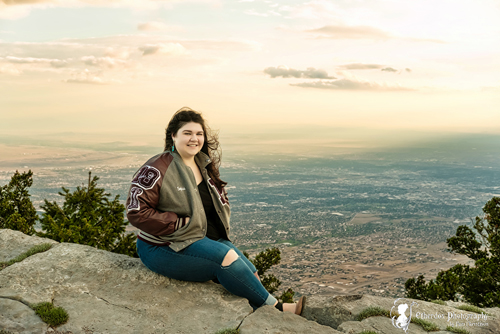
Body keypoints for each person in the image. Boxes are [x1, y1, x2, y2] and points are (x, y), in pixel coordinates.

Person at [126, 107, 305, 314]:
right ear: (173, 135)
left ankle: (263, 306)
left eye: (199, 134)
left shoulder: (203, 165)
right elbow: (136, 211)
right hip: (162, 247)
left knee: (250, 270)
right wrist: (175, 223)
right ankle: (278, 310)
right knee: (226, 258)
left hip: (198, 238)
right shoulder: (157, 168)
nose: (194, 139)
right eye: (187, 133)